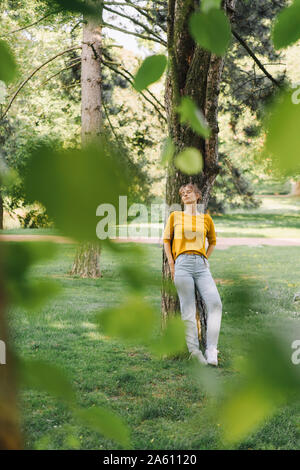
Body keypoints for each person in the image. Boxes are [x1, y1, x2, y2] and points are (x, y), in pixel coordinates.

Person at [162, 182, 222, 366]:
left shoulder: (206, 219)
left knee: (215, 304)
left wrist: (205, 258)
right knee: (188, 309)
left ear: (198, 196)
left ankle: (211, 350)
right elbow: (166, 240)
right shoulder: (175, 216)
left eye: (189, 192)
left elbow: (212, 241)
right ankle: (194, 352)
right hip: (182, 264)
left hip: (202, 266)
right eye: (182, 194)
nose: (185, 195)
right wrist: (172, 265)